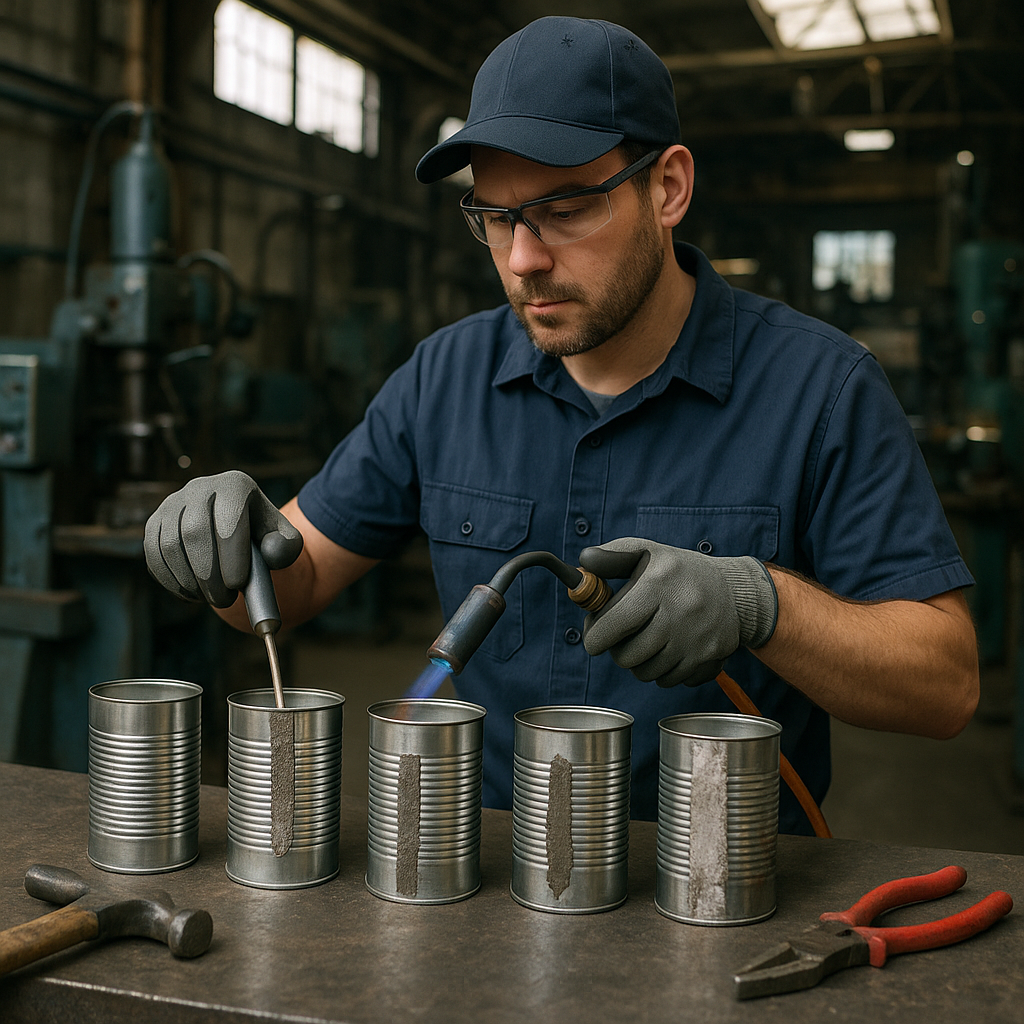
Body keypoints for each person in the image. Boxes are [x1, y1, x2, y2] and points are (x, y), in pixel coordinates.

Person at [145, 16, 978, 833]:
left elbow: (945, 688)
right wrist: (225, 550)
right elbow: (293, 584)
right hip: (482, 883)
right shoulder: (445, 377)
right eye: (496, 217)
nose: (523, 258)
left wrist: (761, 604)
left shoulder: (820, 389)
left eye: (566, 208)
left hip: (721, 891)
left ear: (669, 188)